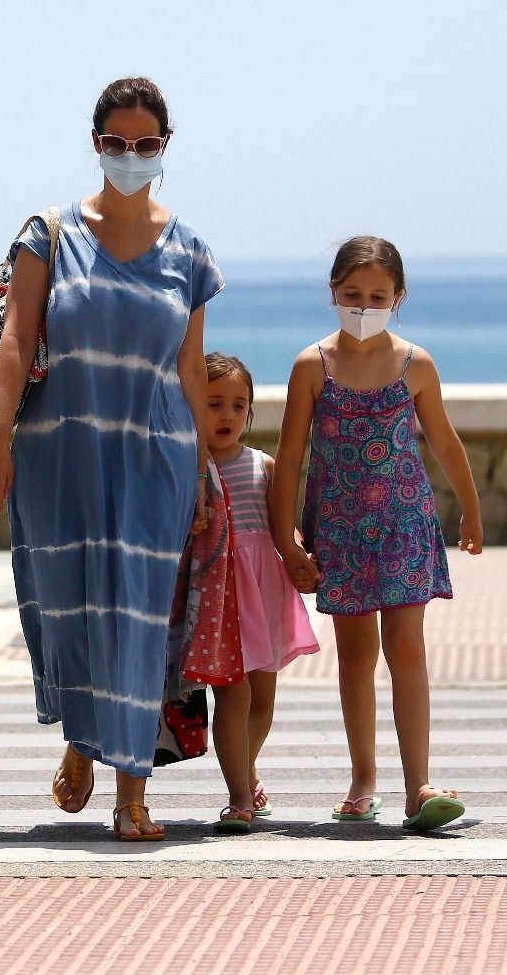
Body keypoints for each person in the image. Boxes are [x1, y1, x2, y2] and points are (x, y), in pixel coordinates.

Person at [0, 77, 222, 842]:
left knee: (139, 618)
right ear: (96, 144)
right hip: (61, 455)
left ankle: (132, 792)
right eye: (117, 143)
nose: (131, 156)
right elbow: (17, 337)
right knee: (72, 610)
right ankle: (83, 739)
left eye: (147, 144)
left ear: (166, 148)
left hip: (156, 455)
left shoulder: (191, 252)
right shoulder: (47, 232)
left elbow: (191, 369)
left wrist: (207, 466)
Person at [268, 235, 484, 832]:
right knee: (357, 654)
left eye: (378, 296)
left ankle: (419, 786)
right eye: (353, 294)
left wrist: (470, 508)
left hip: (405, 526)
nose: (364, 304)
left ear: (399, 297)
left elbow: (443, 439)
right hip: (339, 529)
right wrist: (287, 541)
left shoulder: (417, 364)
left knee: (408, 648)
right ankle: (364, 779)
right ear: (332, 293)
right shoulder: (312, 366)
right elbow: (290, 458)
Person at [193, 353, 319, 831]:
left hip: (263, 589)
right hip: (218, 593)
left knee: (263, 698)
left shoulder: (262, 465)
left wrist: (301, 557)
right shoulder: (191, 466)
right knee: (231, 695)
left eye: (238, 405)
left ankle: (246, 770)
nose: (227, 415)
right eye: (214, 404)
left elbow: (283, 524)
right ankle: (239, 796)